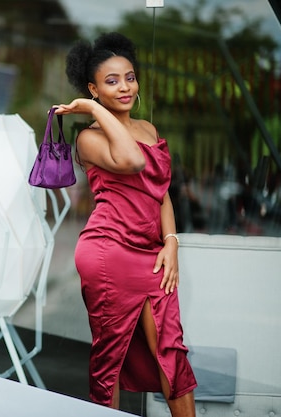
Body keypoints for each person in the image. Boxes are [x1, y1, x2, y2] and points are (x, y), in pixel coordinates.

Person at [53, 32, 197, 416]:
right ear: (93, 88)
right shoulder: (88, 138)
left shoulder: (149, 129)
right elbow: (132, 161)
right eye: (112, 81)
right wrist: (94, 111)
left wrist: (171, 241)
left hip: (151, 253)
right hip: (109, 253)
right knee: (110, 361)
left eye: (129, 77)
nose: (124, 87)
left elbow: (160, 192)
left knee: (172, 349)